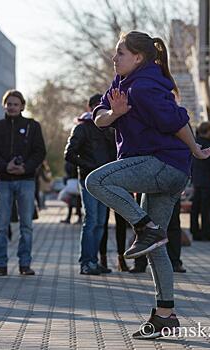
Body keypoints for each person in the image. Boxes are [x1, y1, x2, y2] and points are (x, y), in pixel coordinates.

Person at [86, 31, 210, 339]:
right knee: (155, 249)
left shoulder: (143, 87)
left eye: (120, 53)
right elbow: (98, 115)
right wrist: (113, 114)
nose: (115, 58)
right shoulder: (122, 83)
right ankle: (165, 315)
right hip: (160, 169)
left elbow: (177, 120)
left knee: (96, 180)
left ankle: (147, 228)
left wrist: (195, 149)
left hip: (164, 165)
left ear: (138, 58)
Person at [0, 89, 46, 276]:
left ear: (22, 106)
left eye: (15, 104)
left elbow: (39, 152)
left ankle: (25, 264)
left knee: (26, 225)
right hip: (3, 180)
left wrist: (26, 167)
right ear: (4, 105)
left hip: (26, 180)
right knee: (1, 226)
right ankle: (1, 265)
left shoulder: (32, 126)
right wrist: (6, 166)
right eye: (9, 104)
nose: (12, 107)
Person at [64, 93, 118, 275]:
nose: (101, 109)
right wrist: (91, 166)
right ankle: (86, 262)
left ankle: (94, 261)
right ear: (90, 108)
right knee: (91, 220)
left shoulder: (111, 128)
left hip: (106, 180)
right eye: (97, 106)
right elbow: (69, 154)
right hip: (88, 179)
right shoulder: (82, 128)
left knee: (101, 222)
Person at [190, 121, 210, 241]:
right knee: (208, 208)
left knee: (195, 208)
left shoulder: (193, 145)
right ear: (209, 131)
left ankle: (195, 231)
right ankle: (207, 232)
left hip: (197, 181)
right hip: (208, 182)